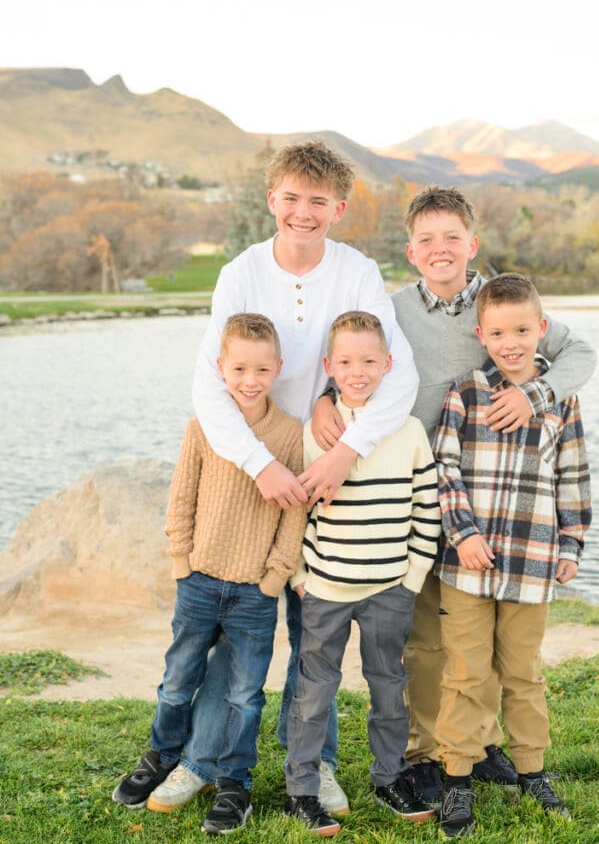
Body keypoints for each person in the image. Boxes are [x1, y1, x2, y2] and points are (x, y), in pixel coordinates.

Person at [146, 141, 419, 817]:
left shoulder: (355, 271)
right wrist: (262, 463)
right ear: (272, 200)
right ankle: (200, 763)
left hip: (325, 463)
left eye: (318, 202)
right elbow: (209, 387)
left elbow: (398, 371)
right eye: (291, 198)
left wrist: (344, 445)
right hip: (252, 462)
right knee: (228, 623)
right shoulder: (240, 273)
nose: (304, 213)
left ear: (338, 209)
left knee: (313, 626)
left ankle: (316, 766)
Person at [311, 184, 597, 807]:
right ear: (411, 251)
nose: (441, 250)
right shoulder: (392, 310)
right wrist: (324, 399)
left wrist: (534, 395)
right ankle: (424, 753)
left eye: (452, 238)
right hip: (416, 483)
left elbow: (579, 352)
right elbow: (352, 357)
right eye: (427, 240)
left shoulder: (502, 305)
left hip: (488, 495)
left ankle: (483, 743)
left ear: (472, 244)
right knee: (428, 637)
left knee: (485, 632)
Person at [112, 313, 308, 836]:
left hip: (254, 593)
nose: (250, 379)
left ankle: (234, 783)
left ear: (278, 369)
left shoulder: (290, 435)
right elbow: (182, 499)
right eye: (239, 368)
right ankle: (161, 755)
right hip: (199, 582)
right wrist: (182, 561)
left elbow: (295, 513)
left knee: (245, 694)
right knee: (178, 681)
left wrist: (274, 577)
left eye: (261, 369)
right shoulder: (203, 428)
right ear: (220, 368)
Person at [433, 272, 592, 836]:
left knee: (523, 673)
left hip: (531, 559)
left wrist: (571, 541)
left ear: (541, 329)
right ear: (482, 334)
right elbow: (444, 469)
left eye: (523, 329)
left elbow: (572, 474)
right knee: (465, 673)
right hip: (467, 562)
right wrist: (463, 533)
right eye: (499, 332)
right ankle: (456, 778)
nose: (511, 342)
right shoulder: (465, 393)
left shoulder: (559, 400)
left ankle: (531, 770)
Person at [284, 312, 441, 836]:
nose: (358, 371)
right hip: (325, 587)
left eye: (369, 361)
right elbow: (298, 511)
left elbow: (426, 507)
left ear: (388, 365)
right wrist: (301, 575)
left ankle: (389, 777)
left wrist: (412, 578)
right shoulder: (316, 432)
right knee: (313, 694)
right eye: (346, 362)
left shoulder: (410, 430)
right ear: (328, 366)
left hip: (388, 588)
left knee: (388, 688)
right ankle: (302, 789)